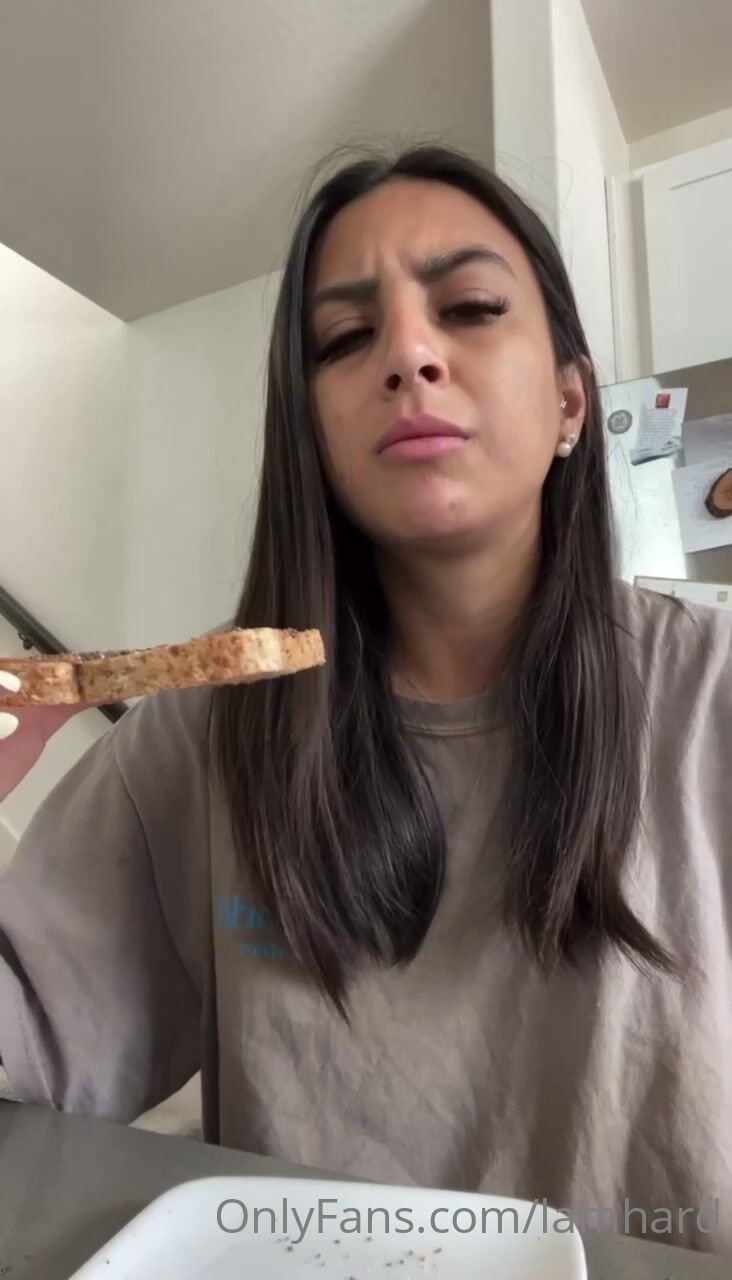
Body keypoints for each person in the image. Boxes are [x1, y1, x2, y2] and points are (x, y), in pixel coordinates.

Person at [1, 144, 731, 1256]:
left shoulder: (710, 693)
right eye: (345, 338)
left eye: (470, 308)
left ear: (571, 400)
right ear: (312, 431)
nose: (410, 355)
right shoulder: (193, 743)